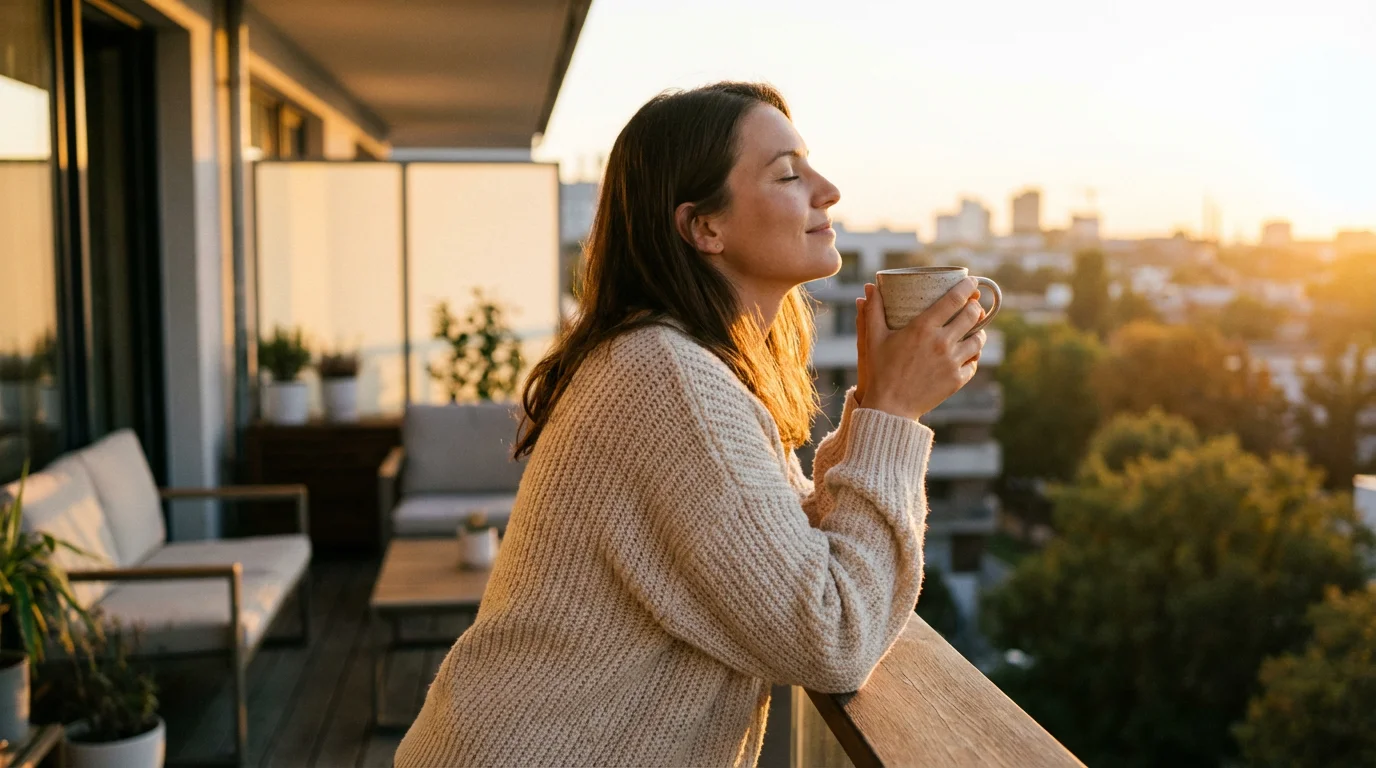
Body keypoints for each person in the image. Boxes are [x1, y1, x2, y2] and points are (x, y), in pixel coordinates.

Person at [395, 81, 986, 768]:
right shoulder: (667, 377)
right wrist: (892, 413)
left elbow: (788, 551)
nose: (827, 190)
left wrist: (882, 401)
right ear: (704, 227)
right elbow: (833, 638)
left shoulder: (687, 365)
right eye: (789, 174)